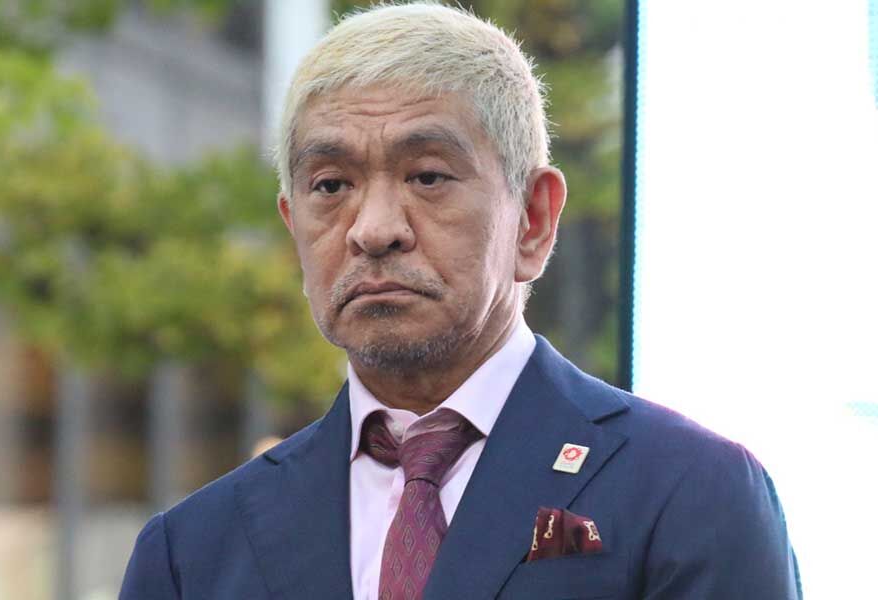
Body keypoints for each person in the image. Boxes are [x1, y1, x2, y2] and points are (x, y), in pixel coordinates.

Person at [119, 4, 801, 599]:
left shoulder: (688, 494)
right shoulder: (194, 551)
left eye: (427, 176)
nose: (372, 229)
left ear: (533, 220)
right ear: (291, 224)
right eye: (330, 186)